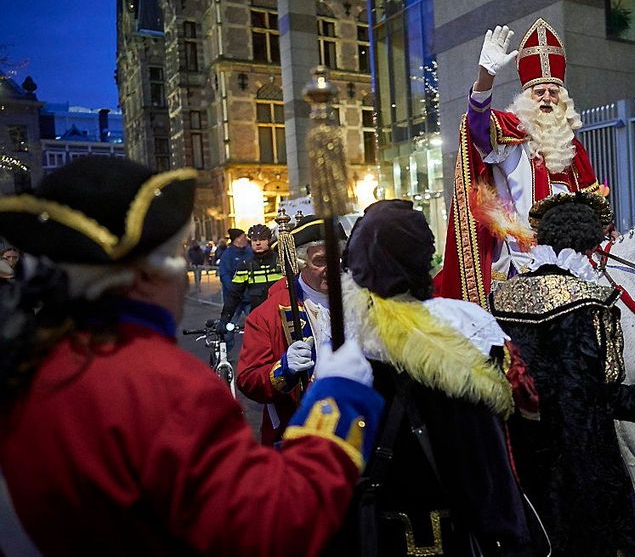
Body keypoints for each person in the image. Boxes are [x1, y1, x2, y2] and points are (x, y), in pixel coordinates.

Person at [0, 156, 382, 554]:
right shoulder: (162, 384)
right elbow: (275, 523)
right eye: (177, 255)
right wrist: (341, 399)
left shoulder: (38, 357)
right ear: (148, 273)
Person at [490, 191, 635, 557]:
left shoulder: (500, 296)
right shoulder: (591, 301)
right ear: (589, 248)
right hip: (583, 468)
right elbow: (595, 395)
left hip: (523, 461)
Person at [336, 199, 543, 555]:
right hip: (456, 536)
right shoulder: (467, 328)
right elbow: (494, 459)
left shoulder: (344, 343)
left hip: (372, 537)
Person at [435, 19, 606, 308]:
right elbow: (477, 126)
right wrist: (485, 77)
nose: (548, 99)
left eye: (554, 92)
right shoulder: (511, 133)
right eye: (540, 92)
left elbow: (595, 208)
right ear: (526, 98)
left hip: (573, 265)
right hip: (523, 264)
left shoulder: (572, 149)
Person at [237, 215, 331, 446]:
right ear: (299, 262)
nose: (331, 268)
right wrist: (283, 369)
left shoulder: (358, 300)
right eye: (320, 261)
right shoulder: (266, 314)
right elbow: (248, 379)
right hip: (300, 434)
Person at [219, 223, 282, 336]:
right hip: (259, 318)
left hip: (281, 317)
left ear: (269, 240)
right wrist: (224, 318)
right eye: (254, 240)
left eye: (262, 239)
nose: (258, 243)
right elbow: (234, 295)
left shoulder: (280, 262)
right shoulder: (245, 265)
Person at [217, 227, 251, 301]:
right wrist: (234, 290)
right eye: (244, 237)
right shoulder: (227, 255)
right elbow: (225, 274)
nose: (246, 239)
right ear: (237, 239)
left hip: (248, 297)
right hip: (233, 297)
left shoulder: (249, 252)